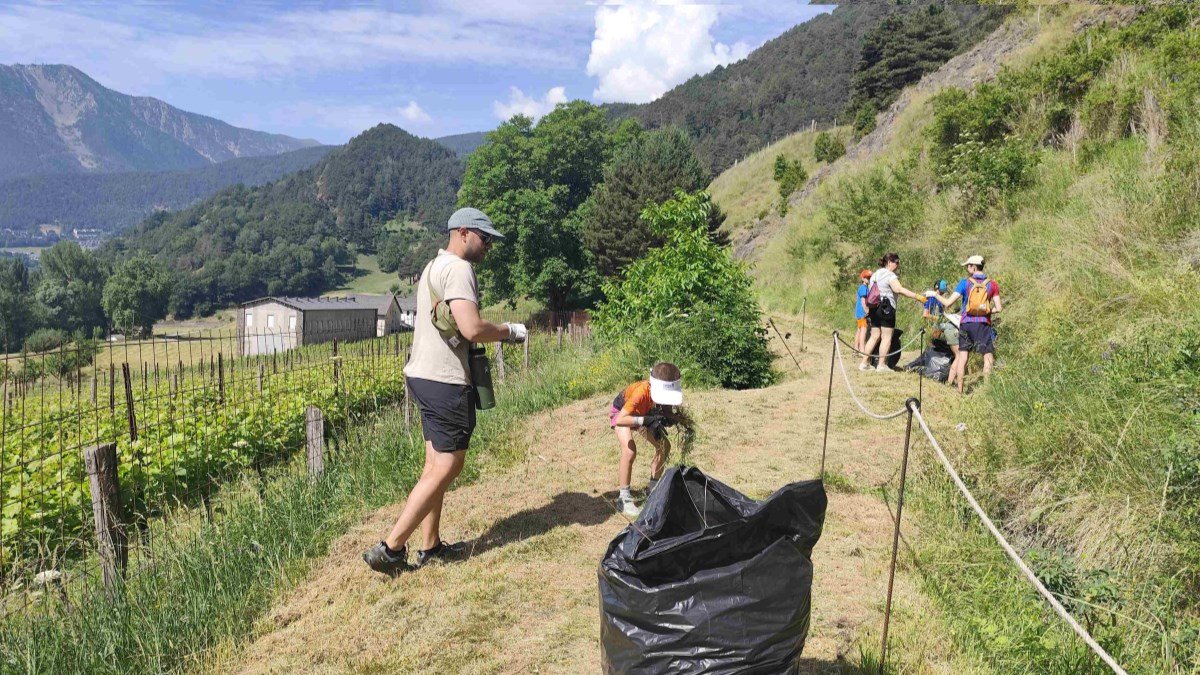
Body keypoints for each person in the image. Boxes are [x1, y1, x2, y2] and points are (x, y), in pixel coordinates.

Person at [363, 207, 528, 577]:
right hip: (445, 379)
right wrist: (509, 331)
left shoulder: (432, 268)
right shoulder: (459, 269)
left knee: (435, 464)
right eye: (485, 239)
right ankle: (390, 548)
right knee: (450, 464)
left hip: (422, 374)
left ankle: (430, 545)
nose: (488, 247)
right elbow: (470, 328)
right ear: (464, 233)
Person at [608, 362, 683, 517]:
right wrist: (645, 421)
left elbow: (666, 411)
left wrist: (674, 419)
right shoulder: (641, 393)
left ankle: (652, 490)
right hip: (623, 414)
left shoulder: (663, 394)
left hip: (643, 415)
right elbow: (621, 419)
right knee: (630, 451)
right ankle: (624, 499)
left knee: (664, 446)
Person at [928, 255, 1002, 393]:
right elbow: (999, 308)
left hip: (965, 323)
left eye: (968, 266)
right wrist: (985, 310)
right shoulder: (993, 284)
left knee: (962, 357)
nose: (967, 269)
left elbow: (948, 303)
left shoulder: (964, 283)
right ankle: (987, 390)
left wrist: (934, 294)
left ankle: (960, 391)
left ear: (973, 267)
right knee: (988, 356)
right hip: (983, 324)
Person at [859, 252, 925, 372]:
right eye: (897, 262)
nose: (898, 265)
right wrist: (918, 297)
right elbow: (898, 289)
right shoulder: (890, 275)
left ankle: (864, 363)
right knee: (886, 337)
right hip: (886, 308)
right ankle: (882, 364)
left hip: (874, 308)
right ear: (889, 262)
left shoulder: (875, 274)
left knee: (874, 336)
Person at [854, 269, 872, 353]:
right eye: (867, 277)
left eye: (870, 277)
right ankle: (862, 350)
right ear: (862, 278)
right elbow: (863, 301)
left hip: (859, 313)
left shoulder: (864, 288)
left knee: (859, 330)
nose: (868, 279)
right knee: (863, 331)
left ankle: (856, 348)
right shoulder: (863, 288)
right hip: (862, 313)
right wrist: (867, 311)